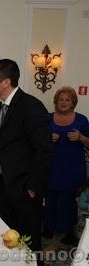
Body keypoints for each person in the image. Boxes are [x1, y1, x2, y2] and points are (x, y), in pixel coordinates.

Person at [0, 59, 53, 261]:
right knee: (8, 239)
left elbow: (45, 150)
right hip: (5, 186)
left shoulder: (31, 106)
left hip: (26, 188)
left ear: (6, 82)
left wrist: (32, 187)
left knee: (30, 242)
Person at [43, 86, 89, 245]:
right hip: (51, 165)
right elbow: (36, 141)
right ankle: (48, 228)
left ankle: (69, 231)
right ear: (56, 102)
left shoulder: (82, 119)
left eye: (67, 99)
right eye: (61, 99)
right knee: (50, 196)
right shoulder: (46, 118)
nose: (63, 102)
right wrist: (47, 138)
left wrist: (81, 137)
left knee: (69, 199)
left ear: (73, 102)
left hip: (72, 167)